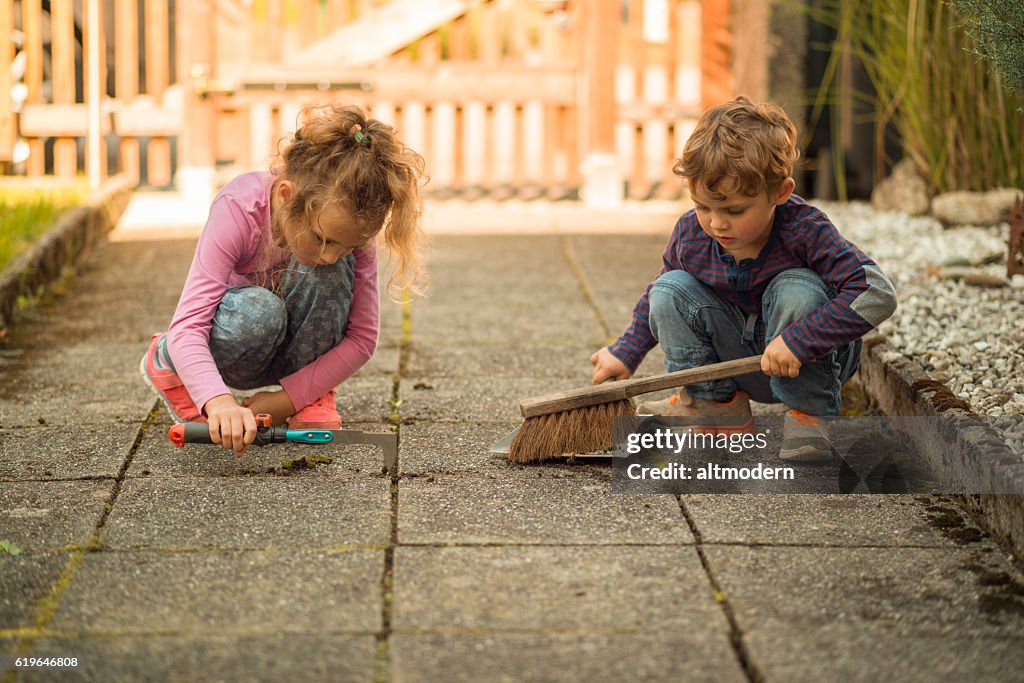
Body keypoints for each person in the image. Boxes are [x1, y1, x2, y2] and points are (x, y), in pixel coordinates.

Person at [590, 96, 897, 461]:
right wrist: (625, 351)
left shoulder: (806, 229)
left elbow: (876, 292)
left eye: (734, 210)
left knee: (796, 287)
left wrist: (801, 339)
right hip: (738, 362)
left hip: (806, 360)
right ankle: (715, 405)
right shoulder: (691, 234)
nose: (717, 222)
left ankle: (809, 420)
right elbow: (659, 298)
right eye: (703, 206)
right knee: (669, 288)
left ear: (780, 192)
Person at [141, 103, 426, 456]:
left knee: (331, 275)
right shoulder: (239, 208)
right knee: (260, 309)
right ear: (287, 196)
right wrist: (219, 403)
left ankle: (313, 395)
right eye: (323, 239)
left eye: (348, 245)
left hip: (288, 356)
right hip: (231, 347)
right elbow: (188, 327)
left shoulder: (348, 232)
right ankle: (166, 360)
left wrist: (289, 399)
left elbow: (362, 339)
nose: (330, 254)